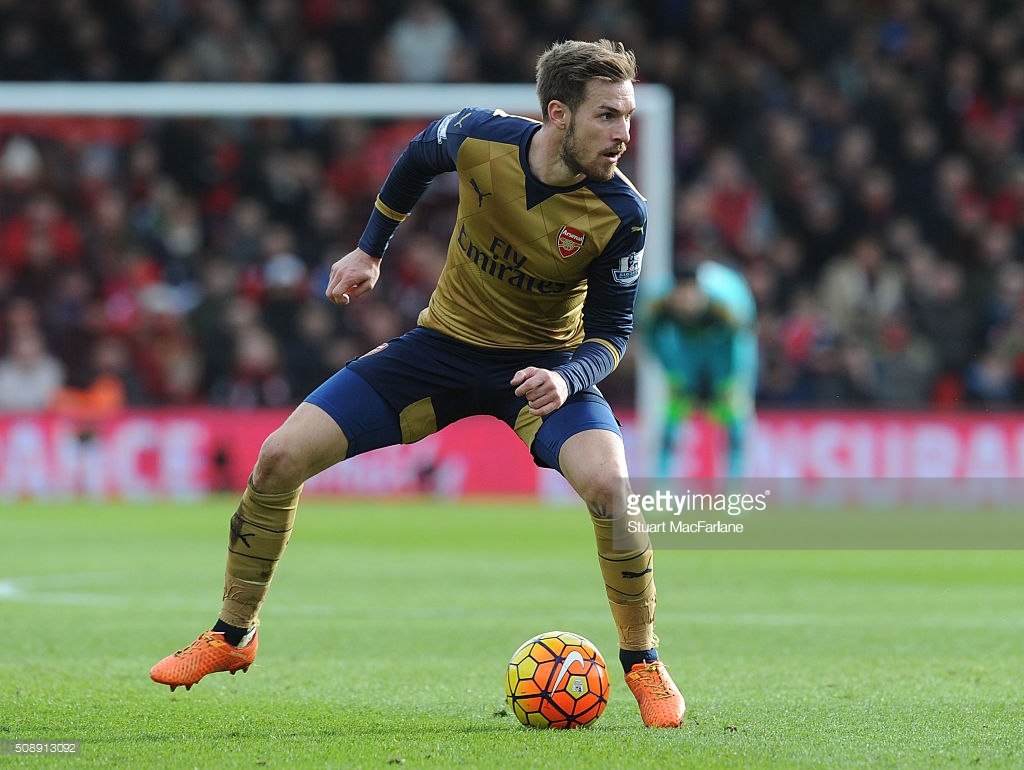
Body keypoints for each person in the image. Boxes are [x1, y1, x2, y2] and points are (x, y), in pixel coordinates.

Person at [150, 39, 685, 729]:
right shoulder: (476, 136)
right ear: (558, 113)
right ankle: (232, 636)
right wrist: (370, 248)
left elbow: (613, 333)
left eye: (628, 117)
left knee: (613, 490)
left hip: (542, 373)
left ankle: (643, 662)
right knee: (279, 457)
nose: (623, 134)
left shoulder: (624, 212)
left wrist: (567, 374)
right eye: (608, 116)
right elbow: (416, 157)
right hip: (440, 352)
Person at [644, 260, 758, 479]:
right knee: (671, 421)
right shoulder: (659, 305)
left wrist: (731, 381)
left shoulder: (725, 307)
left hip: (722, 356)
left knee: (735, 421)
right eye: (680, 295)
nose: (685, 302)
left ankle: (734, 488)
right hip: (687, 356)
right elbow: (653, 340)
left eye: (690, 294)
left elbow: (742, 343)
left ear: (700, 292)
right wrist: (672, 374)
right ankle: (660, 486)